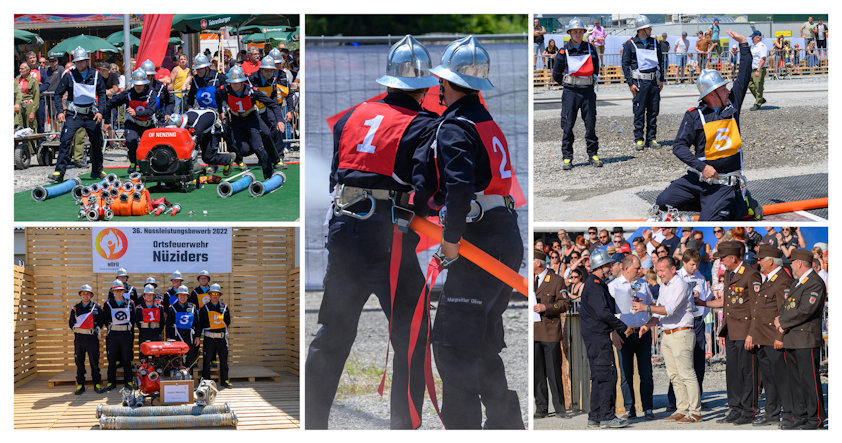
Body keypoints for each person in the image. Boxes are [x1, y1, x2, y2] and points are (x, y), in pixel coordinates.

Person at [305, 35, 438, 430]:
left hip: (344, 228)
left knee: (333, 333)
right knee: (412, 336)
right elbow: (426, 189)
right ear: (426, 87)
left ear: (388, 80)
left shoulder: (351, 116)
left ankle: (312, 427)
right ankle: (403, 427)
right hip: (387, 237)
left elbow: (335, 174)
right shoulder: (423, 124)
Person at [426, 35, 524, 429]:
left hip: (480, 242)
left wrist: (449, 242)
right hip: (504, 236)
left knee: (452, 342)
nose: (437, 88)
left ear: (447, 83)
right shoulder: (484, 120)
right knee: (481, 340)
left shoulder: (454, 127)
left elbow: (459, 189)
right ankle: (506, 426)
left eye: (440, 81)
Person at [654, 31, 763, 221]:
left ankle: (738, 202)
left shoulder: (732, 106)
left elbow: (744, 77)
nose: (728, 91)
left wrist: (744, 44)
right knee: (663, 201)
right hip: (699, 178)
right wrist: (702, 167)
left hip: (723, 182)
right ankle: (718, 203)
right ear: (711, 95)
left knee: (709, 221)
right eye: (722, 89)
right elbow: (679, 147)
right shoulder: (694, 116)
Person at [696, 241, 761, 424]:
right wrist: (703, 303)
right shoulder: (729, 274)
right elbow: (726, 301)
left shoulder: (751, 274)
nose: (721, 261)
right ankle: (735, 407)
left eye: (723, 258)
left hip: (746, 331)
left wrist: (753, 333)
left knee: (748, 372)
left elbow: (757, 307)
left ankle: (749, 410)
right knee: (732, 372)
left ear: (733, 258)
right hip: (731, 330)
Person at [634, 257, 701, 423]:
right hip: (668, 334)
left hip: (681, 333)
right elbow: (658, 313)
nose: (659, 274)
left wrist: (645, 307)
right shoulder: (664, 287)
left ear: (673, 269)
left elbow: (669, 310)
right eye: (658, 271)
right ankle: (682, 408)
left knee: (686, 374)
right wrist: (648, 325)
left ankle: (695, 411)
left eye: (662, 270)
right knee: (674, 375)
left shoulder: (681, 285)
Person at [579, 249, 633, 428]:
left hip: (596, 337)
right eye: (608, 265)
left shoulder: (596, 284)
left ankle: (595, 416)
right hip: (598, 338)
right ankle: (607, 416)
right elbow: (603, 313)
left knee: (599, 376)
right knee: (607, 376)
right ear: (600, 267)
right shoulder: (594, 286)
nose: (610, 268)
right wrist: (622, 327)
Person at [777, 248, 827, 429]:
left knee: (809, 380)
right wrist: (781, 319)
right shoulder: (797, 283)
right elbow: (787, 306)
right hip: (793, 338)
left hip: (806, 339)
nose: (790, 265)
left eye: (792, 262)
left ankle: (816, 418)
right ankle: (800, 415)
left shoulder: (815, 282)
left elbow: (806, 310)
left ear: (799, 263)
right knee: (796, 381)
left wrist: (782, 321)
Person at [747, 244, 793, 426]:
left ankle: (789, 413)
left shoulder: (782, 280)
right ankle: (772, 412)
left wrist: (780, 337)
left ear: (770, 261)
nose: (758, 261)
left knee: (781, 378)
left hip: (774, 338)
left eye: (760, 259)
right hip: (763, 338)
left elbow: (783, 312)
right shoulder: (769, 279)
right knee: (768, 379)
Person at [48, 47, 106, 183]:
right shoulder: (69, 75)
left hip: (91, 114)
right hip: (73, 114)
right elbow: (57, 94)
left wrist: (101, 112)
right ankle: (59, 172)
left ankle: (97, 170)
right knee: (65, 140)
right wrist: (60, 112)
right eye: (77, 62)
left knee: (97, 142)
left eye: (82, 61)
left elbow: (102, 94)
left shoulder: (96, 75)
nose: (79, 64)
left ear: (87, 61)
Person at [608, 255, 655, 420]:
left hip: (642, 332)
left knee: (646, 372)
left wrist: (648, 323)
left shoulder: (642, 284)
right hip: (624, 334)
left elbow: (651, 304)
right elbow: (609, 313)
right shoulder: (613, 286)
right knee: (626, 372)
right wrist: (612, 332)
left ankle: (648, 407)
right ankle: (630, 408)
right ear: (626, 268)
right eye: (637, 268)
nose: (640, 270)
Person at [218, 65, 282, 180]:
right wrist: (220, 111)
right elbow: (217, 96)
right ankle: (255, 144)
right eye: (232, 82)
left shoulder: (252, 91)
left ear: (242, 82)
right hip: (236, 121)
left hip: (251, 119)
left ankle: (269, 175)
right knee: (244, 150)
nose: (234, 85)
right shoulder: (224, 90)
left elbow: (272, 103)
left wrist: (280, 120)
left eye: (237, 82)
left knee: (260, 149)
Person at [667, 248, 712, 411]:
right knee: (679, 363)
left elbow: (708, 299)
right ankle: (674, 400)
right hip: (682, 323)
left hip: (698, 322)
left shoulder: (700, 277)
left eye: (697, 265)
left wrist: (700, 314)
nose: (695, 268)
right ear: (684, 262)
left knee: (699, 362)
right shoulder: (676, 278)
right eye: (692, 265)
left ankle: (696, 398)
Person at [554, 17, 602, 170]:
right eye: (575, 32)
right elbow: (556, 74)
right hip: (571, 92)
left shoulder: (590, 48)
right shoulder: (563, 51)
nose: (577, 34)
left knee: (590, 125)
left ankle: (593, 154)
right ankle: (567, 157)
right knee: (568, 125)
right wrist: (569, 85)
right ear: (570, 33)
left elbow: (596, 68)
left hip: (588, 92)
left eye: (580, 32)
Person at [533, 249, 573, 420]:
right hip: (534, 332)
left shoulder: (556, 280)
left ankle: (559, 408)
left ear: (538, 263)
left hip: (549, 332)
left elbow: (565, 304)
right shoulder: (529, 281)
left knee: (553, 372)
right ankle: (541, 407)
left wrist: (546, 308)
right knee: (537, 372)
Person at [180, 54, 235, 173]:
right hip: (201, 116)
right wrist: (189, 107)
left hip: (217, 114)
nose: (199, 71)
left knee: (226, 139)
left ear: (207, 67)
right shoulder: (195, 81)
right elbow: (190, 98)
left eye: (201, 68)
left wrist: (227, 108)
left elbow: (228, 92)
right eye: (197, 68)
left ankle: (233, 159)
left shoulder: (218, 76)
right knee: (205, 151)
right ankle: (218, 161)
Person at [103, 69, 159, 173]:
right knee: (131, 141)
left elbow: (150, 111)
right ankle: (133, 163)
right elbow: (109, 104)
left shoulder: (151, 93)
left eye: (140, 84)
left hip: (148, 123)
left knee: (149, 145)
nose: (138, 86)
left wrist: (136, 113)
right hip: (132, 123)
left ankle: (149, 164)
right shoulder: (127, 94)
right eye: (136, 84)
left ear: (145, 84)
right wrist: (107, 121)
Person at [622, 15, 665, 151]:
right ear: (641, 29)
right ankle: (639, 139)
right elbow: (625, 64)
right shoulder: (630, 44)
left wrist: (662, 79)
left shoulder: (654, 43)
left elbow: (661, 62)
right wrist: (630, 83)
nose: (650, 29)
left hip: (653, 82)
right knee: (639, 112)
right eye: (648, 27)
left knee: (653, 111)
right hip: (639, 83)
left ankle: (651, 138)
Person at [248, 55, 289, 170]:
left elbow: (274, 102)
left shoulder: (273, 81)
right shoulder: (250, 79)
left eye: (272, 71)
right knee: (260, 135)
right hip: (253, 111)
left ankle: (279, 158)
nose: (270, 73)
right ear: (261, 70)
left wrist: (280, 120)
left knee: (276, 128)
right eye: (267, 71)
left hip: (266, 109)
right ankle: (263, 158)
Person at [69, 284, 104, 394]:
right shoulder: (75, 308)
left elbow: (101, 321)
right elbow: (71, 323)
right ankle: (80, 385)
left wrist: (97, 328)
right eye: (83, 294)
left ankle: (97, 384)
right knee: (79, 362)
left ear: (91, 295)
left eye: (88, 294)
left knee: (94, 362)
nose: (85, 296)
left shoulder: (96, 307)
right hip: (79, 339)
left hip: (92, 339)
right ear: (80, 295)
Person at [103, 279, 136, 390]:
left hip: (126, 334)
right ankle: (111, 383)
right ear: (112, 291)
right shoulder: (107, 304)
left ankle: (128, 382)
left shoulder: (130, 303)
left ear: (123, 291)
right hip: (113, 335)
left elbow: (134, 318)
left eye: (120, 291)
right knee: (111, 359)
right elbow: (105, 319)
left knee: (127, 359)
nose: (118, 293)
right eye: (116, 291)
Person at [198, 283, 232, 388]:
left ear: (220, 295)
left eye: (217, 293)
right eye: (213, 293)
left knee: (223, 360)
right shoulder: (204, 308)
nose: (215, 296)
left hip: (221, 339)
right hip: (209, 338)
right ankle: (206, 381)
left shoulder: (224, 307)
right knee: (207, 360)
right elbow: (200, 323)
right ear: (209, 295)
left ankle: (224, 381)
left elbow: (228, 322)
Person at [166, 284, 199, 374]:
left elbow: (197, 323)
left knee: (190, 358)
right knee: (176, 359)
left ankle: (189, 380)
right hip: (176, 338)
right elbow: (168, 325)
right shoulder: (172, 308)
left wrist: (197, 337)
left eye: (184, 295)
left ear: (187, 296)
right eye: (180, 295)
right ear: (177, 296)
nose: (182, 297)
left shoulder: (192, 307)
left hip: (189, 337)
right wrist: (168, 337)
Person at [14, 62, 40, 156]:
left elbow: (36, 98)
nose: (20, 70)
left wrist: (33, 111)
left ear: (28, 70)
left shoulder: (33, 81)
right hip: (18, 106)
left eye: (22, 69)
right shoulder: (17, 79)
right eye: (19, 69)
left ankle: (32, 151)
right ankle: (19, 150)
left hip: (29, 104)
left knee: (30, 127)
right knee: (18, 128)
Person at [135, 284, 165, 360]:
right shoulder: (139, 308)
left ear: (154, 296)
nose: (149, 296)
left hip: (156, 334)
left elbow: (162, 322)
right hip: (144, 334)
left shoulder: (159, 307)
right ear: (144, 296)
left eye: (151, 295)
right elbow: (138, 322)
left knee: (156, 357)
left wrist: (157, 331)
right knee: (143, 357)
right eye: (147, 295)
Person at [748, 31, 768, 111]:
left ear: (757, 38)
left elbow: (763, 59)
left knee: (758, 86)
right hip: (752, 69)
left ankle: (758, 104)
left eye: (753, 37)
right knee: (750, 85)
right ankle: (760, 99)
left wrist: (758, 70)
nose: (752, 39)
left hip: (758, 69)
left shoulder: (762, 46)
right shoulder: (753, 46)